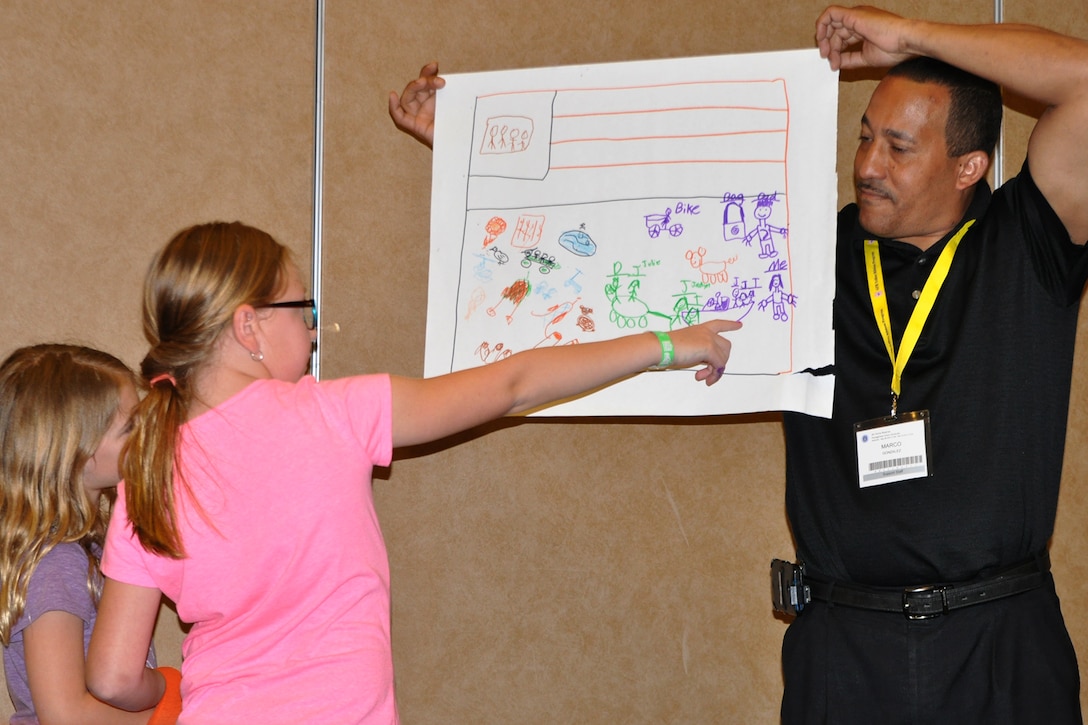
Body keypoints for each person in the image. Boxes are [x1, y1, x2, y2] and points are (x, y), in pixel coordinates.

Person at [389, 4, 1088, 722]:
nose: (868, 165)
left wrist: (906, 37)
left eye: (900, 148)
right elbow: (628, 225)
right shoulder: (797, 244)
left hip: (1000, 642)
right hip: (844, 645)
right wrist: (472, 151)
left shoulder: (1029, 240)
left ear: (970, 165)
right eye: (865, 136)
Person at [82, 221, 740, 724]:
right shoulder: (335, 412)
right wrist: (665, 344)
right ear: (248, 326)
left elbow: (112, 675)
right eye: (303, 311)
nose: (313, 334)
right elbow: (514, 381)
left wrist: (166, 687)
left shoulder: (149, 472)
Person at [0, 344, 182, 725]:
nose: (147, 434)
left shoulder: (88, 548)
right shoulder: (57, 561)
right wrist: (176, 714)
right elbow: (65, 714)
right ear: (75, 452)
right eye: (130, 426)